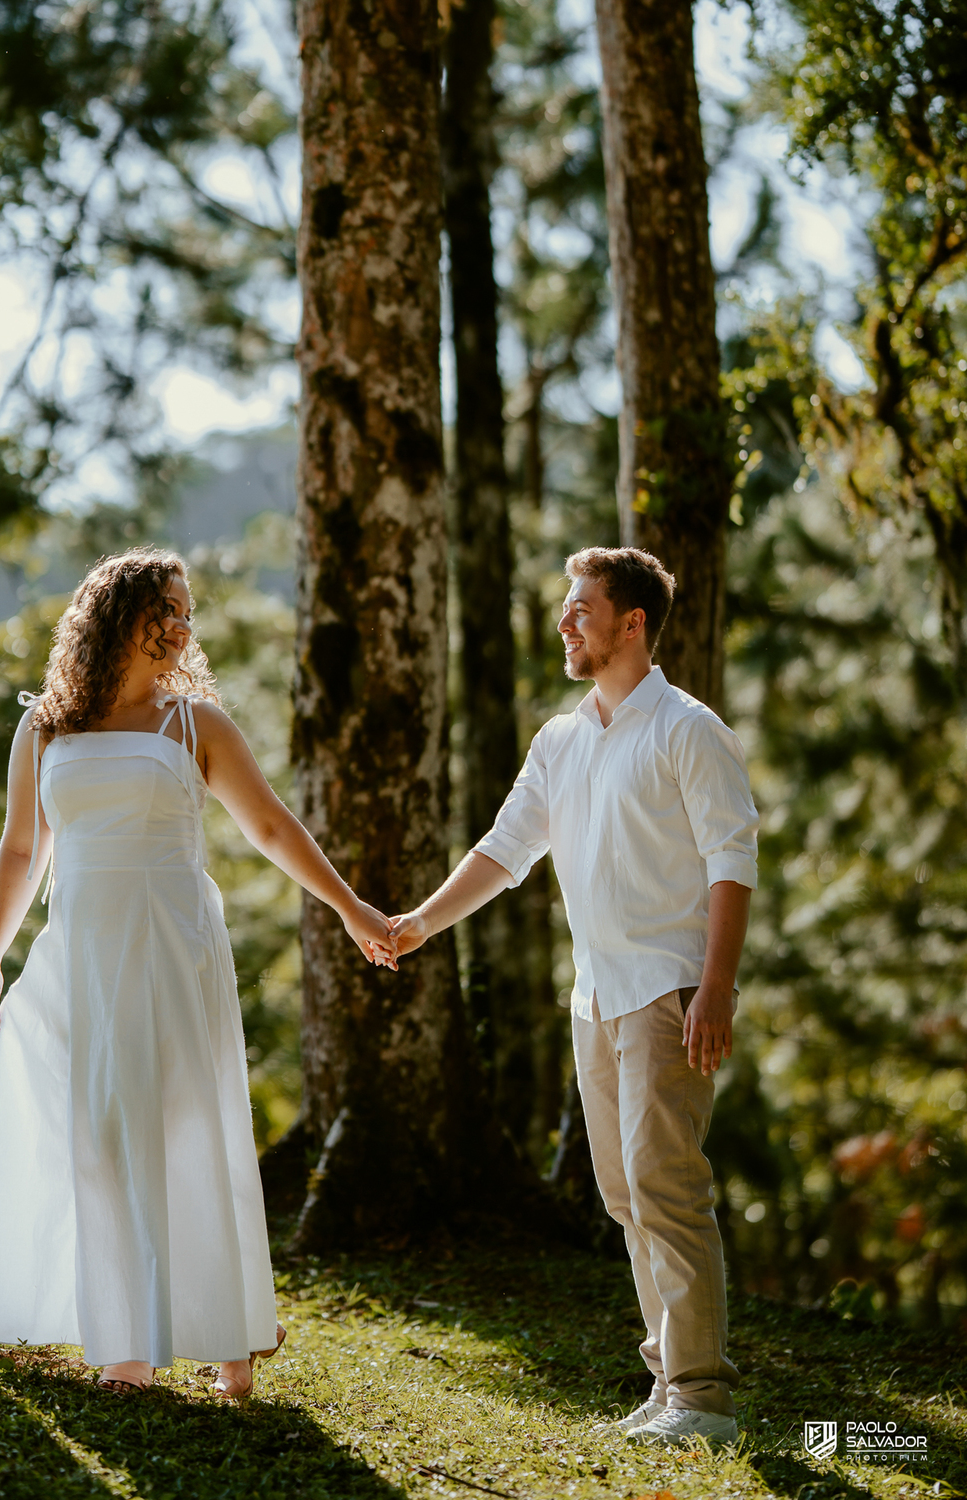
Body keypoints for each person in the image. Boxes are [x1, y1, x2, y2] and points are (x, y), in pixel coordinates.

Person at [0, 547, 397, 1398]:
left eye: (187, 610)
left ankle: (229, 1332)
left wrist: (353, 910)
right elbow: (22, 850)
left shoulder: (195, 724)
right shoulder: (46, 725)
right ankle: (123, 1341)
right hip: (81, 948)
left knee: (189, 1128)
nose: (180, 623)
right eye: (166, 605)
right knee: (95, 1136)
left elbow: (272, 829)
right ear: (115, 616)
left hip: (172, 944)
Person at [387, 546, 758, 1449]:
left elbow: (732, 864)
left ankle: (703, 1398)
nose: (565, 623)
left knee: (667, 1186)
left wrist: (715, 990)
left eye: (581, 608)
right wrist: (417, 925)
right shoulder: (559, 739)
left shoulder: (687, 728)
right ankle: (668, 1380)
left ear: (632, 623)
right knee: (625, 1194)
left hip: (668, 989)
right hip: (594, 997)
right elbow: (505, 850)